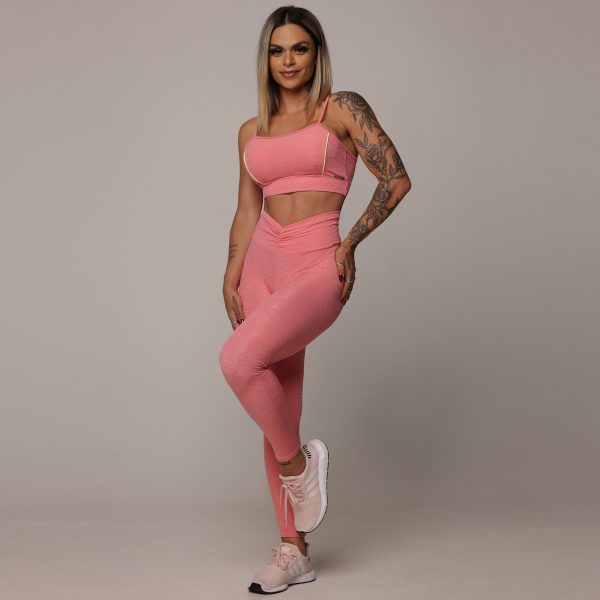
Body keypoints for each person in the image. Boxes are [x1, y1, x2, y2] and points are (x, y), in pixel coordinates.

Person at [218, 5, 411, 594]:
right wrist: (231, 269)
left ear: (317, 53)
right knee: (276, 400)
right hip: (261, 264)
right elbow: (247, 208)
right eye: (277, 50)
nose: (288, 61)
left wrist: (350, 242)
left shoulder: (342, 108)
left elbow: (396, 178)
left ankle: (299, 466)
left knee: (237, 361)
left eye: (299, 48)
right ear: (266, 59)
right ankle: (292, 551)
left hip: (316, 260)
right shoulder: (252, 131)